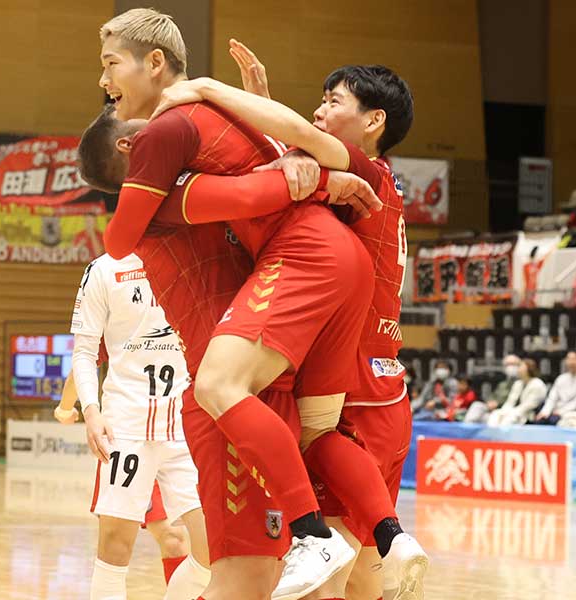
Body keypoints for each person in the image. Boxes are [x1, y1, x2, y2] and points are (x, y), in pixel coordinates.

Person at [85, 11, 366, 598]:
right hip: (240, 379)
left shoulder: (191, 136)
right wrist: (320, 179)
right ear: (130, 151)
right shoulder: (169, 187)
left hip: (253, 375)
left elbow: (272, 169)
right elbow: (264, 184)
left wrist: (242, 104)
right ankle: (356, 534)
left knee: (253, 571)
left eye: (111, 65)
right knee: (244, 570)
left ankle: (336, 535)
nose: (104, 81)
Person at [206, 49, 428, 600]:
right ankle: (396, 538)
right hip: (388, 392)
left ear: (373, 121)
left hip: (354, 393)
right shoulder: (383, 188)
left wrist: (208, 90)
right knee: (360, 585)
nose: (319, 112)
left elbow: (294, 136)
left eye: (334, 102)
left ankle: (379, 538)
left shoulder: (363, 169)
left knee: (317, 585)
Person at [54, 252, 210, 600]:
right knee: (115, 546)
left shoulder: (192, 251)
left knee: (213, 553)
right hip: (126, 424)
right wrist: (90, 411)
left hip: (186, 424)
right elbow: (84, 352)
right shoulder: (104, 269)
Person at [531, 351, 576, 425]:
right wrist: (545, 412)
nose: (571, 362)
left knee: (554, 421)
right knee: (539, 421)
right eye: (569, 359)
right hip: (554, 411)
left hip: (572, 412)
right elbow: (552, 398)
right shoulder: (561, 378)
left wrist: (561, 412)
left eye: (574, 359)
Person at [487, 359, 547, 426]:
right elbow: (510, 402)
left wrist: (510, 413)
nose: (518, 369)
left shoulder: (538, 384)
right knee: (496, 414)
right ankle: (492, 435)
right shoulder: (518, 383)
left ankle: (502, 436)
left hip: (529, 414)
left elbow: (528, 406)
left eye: (520, 366)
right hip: (514, 411)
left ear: (528, 369)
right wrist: (503, 413)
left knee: (510, 418)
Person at [464, 355, 520, 423]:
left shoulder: (520, 383)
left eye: (512, 364)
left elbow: (515, 401)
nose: (510, 367)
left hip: (506, 411)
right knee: (477, 406)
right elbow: (493, 396)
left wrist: (498, 404)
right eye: (507, 365)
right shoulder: (502, 384)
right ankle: (466, 429)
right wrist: (490, 402)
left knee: (485, 418)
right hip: (493, 411)